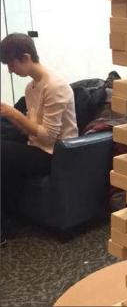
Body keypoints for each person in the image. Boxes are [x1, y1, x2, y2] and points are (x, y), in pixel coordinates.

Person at [0, 33, 78, 245]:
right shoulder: (31, 87)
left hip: (56, 153)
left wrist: (12, 113)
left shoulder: (55, 86)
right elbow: (31, 132)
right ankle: (7, 220)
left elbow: (49, 137)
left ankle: (5, 223)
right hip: (38, 147)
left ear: (25, 58)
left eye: (11, 64)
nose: (10, 70)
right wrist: (10, 116)